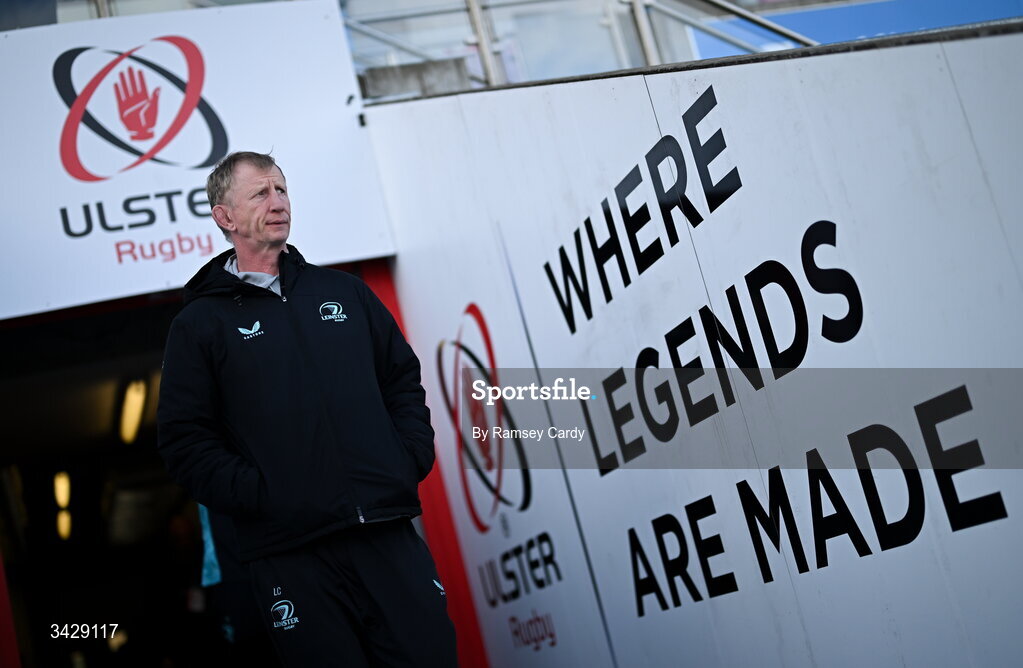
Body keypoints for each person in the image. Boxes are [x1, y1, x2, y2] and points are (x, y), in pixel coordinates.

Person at [157, 151, 457, 667]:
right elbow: (185, 443)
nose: (278, 202)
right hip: (289, 557)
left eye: (282, 190)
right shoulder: (199, 325)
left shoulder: (345, 292)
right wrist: (264, 494)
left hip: (385, 534)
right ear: (224, 216)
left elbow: (402, 381)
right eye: (260, 193)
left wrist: (405, 456)